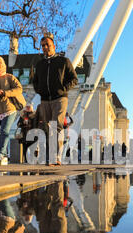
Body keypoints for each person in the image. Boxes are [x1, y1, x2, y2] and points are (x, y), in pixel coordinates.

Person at [33, 32, 78, 166]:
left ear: (54, 45)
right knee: (48, 128)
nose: (45, 47)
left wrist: (63, 89)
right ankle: (53, 156)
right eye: (42, 46)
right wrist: (39, 91)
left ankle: (54, 158)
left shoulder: (63, 61)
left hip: (60, 98)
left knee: (55, 126)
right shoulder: (39, 64)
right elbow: (34, 81)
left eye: (47, 45)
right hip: (45, 99)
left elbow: (74, 79)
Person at [0, 56, 26, 165]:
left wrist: (6, 93)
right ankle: (4, 155)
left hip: (9, 108)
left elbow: (19, 89)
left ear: (3, 64)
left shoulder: (10, 77)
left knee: (5, 131)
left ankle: (1, 153)